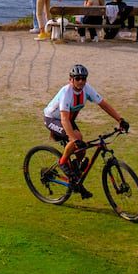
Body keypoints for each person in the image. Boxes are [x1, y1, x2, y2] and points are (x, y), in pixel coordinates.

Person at [42, 63, 129, 197]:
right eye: (77, 78)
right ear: (71, 79)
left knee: (81, 151)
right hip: (53, 119)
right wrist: (73, 139)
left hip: (67, 120)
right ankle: (63, 162)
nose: (81, 81)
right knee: (76, 137)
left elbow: (103, 104)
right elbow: (64, 119)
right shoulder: (66, 92)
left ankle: (75, 178)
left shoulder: (87, 89)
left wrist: (120, 120)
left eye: (83, 78)